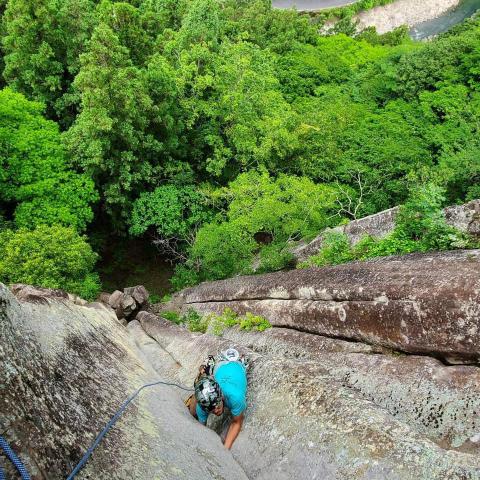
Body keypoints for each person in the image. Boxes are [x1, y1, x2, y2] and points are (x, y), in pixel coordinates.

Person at [187, 349, 247, 449]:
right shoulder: (202, 406)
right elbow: (201, 428)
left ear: (221, 396)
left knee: (205, 372)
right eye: (211, 409)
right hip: (220, 370)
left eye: (217, 405)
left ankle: (208, 369)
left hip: (230, 366)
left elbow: (237, 422)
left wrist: (225, 450)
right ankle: (201, 382)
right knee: (193, 412)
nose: (216, 411)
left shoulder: (235, 397)